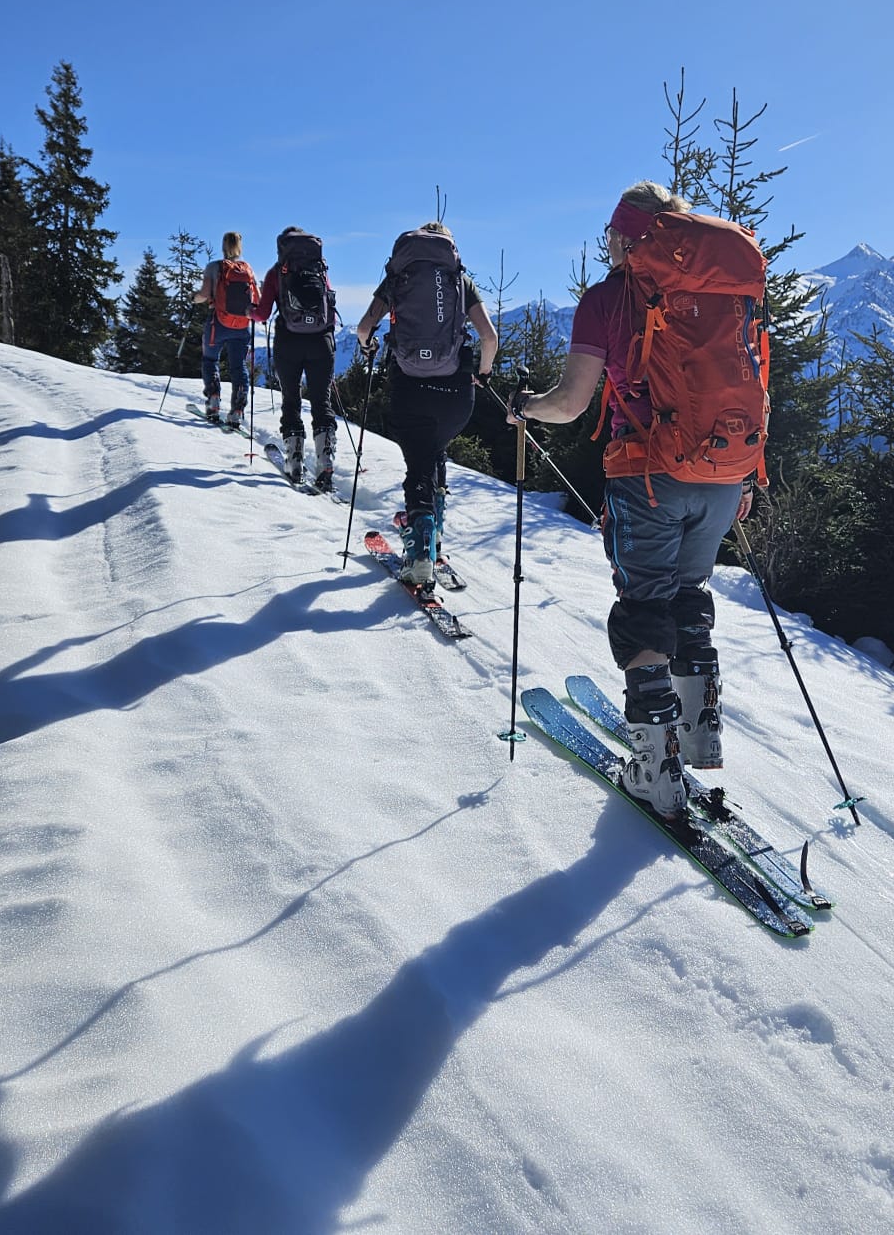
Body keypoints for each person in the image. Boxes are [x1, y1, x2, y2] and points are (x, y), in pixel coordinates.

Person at [512, 181, 767, 818]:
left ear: (626, 238)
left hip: (648, 474)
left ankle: (655, 770)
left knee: (644, 607)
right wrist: (741, 476)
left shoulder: (607, 299)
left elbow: (571, 403)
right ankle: (699, 736)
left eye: (611, 236)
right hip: (724, 471)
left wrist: (527, 408)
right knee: (689, 592)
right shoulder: (725, 292)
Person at [352, 222, 497, 587]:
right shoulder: (460, 282)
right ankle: (434, 536)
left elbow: (364, 328)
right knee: (435, 452)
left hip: (409, 387)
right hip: (455, 393)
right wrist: (483, 372)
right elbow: (489, 338)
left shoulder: (398, 278)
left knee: (419, 466)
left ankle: (419, 554)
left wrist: (369, 347)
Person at [251, 226, 339, 491]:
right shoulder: (320, 270)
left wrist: (248, 310)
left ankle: (295, 461)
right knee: (322, 401)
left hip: (288, 342)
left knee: (291, 399)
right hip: (321, 342)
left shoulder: (277, 272)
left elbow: (263, 314)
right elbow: (329, 308)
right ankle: (326, 462)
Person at [193, 231, 258, 428]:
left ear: (223, 245)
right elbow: (257, 299)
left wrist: (194, 298)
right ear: (240, 246)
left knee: (210, 359)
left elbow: (204, 294)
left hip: (218, 324)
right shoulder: (248, 269)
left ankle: (213, 401)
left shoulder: (214, 267)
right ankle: (237, 411)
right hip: (242, 326)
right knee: (239, 367)